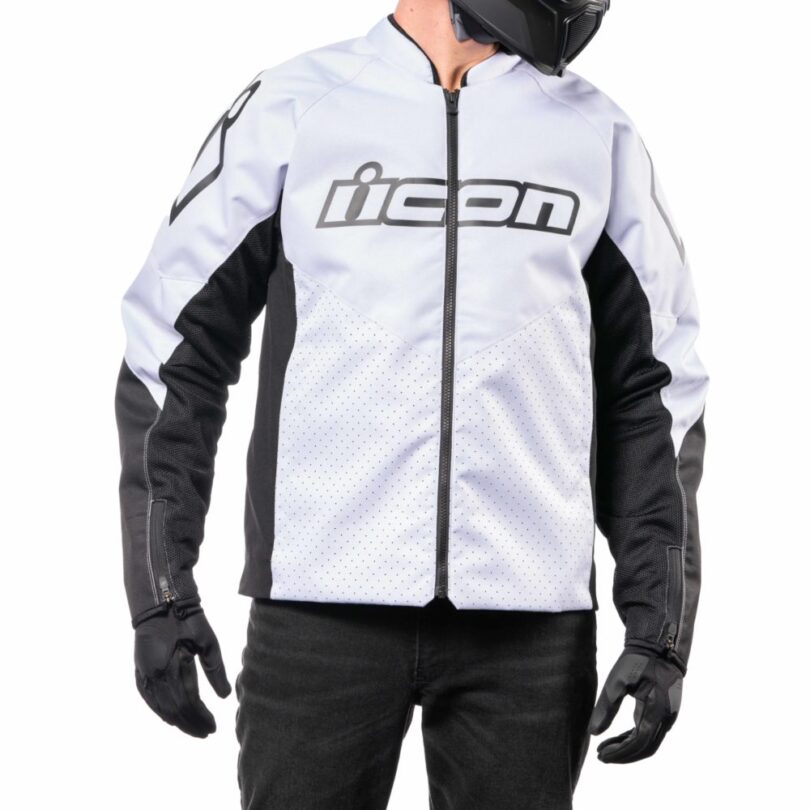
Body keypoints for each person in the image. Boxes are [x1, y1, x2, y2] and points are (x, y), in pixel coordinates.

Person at [114, 1, 708, 807]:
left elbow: (655, 384)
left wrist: (661, 624)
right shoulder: (296, 107)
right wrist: (160, 586)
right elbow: (175, 347)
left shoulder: (597, 135)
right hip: (319, 615)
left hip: (530, 628)